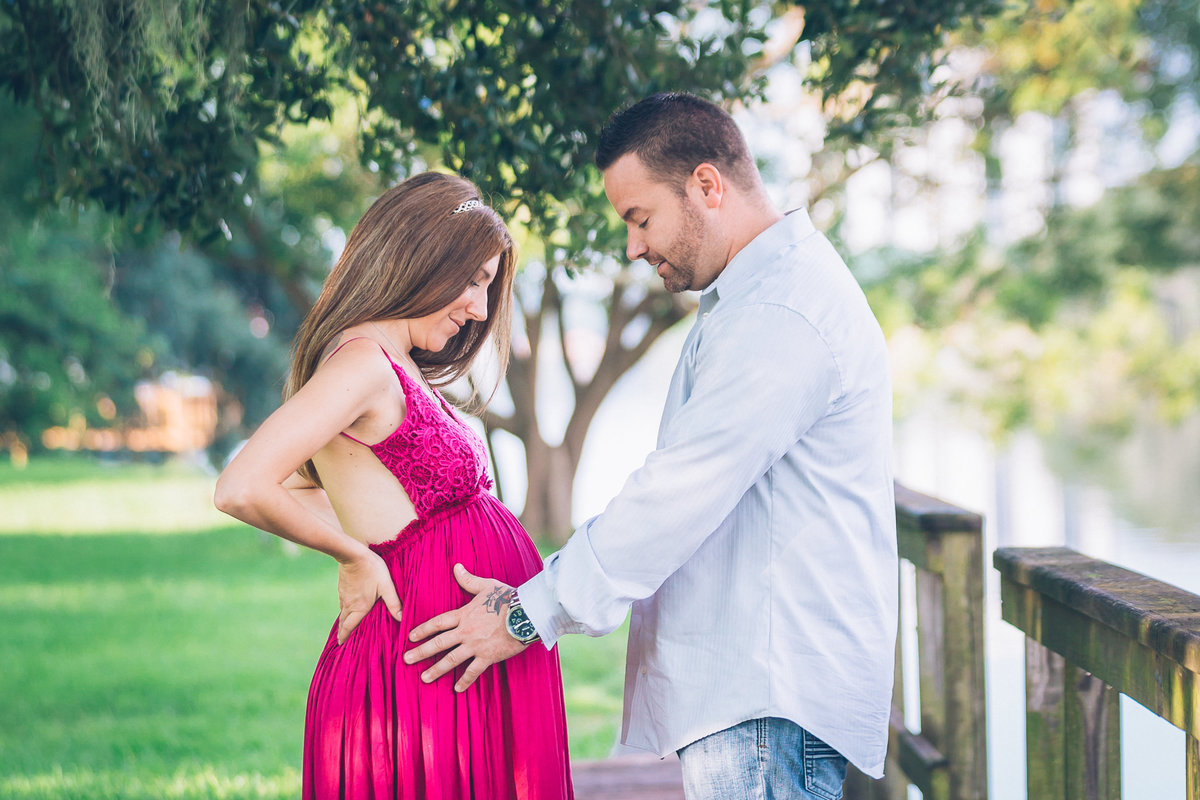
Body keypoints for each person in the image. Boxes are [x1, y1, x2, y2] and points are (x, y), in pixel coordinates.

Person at [404, 93, 899, 799]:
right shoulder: (754, 299)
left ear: (706, 186)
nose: (633, 247)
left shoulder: (783, 315)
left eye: (640, 219)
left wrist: (527, 613)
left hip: (766, 700)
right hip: (752, 694)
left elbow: (679, 493)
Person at [214, 172, 573, 800]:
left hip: (454, 658)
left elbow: (308, 487)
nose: (480, 309)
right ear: (424, 257)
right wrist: (354, 556)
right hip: (421, 672)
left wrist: (360, 532)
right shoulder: (361, 364)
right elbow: (243, 484)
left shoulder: (389, 363)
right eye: (474, 281)